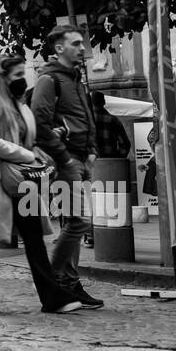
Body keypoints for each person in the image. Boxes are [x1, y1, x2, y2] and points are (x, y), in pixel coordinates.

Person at [0, 54, 81, 315]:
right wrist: (28, 155)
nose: (23, 80)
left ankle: (52, 298)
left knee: (33, 239)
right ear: (2, 76)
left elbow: (27, 140)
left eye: (24, 74)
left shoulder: (20, 105)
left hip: (22, 179)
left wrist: (41, 149)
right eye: (18, 75)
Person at [31, 26, 104, 309]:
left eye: (82, 43)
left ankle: (69, 284)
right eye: (75, 43)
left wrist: (93, 151)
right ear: (59, 48)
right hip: (66, 161)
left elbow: (87, 117)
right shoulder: (49, 80)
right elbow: (39, 124)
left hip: (82, 159)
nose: (82, 48)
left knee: (73, 222)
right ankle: (54, 276)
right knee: (80, 222)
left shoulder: (76, 79)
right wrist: (64, 158)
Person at [92, 91, 132, 160]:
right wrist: (118, 157)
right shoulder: (113, 120)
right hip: (110, 163)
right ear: (104, 102)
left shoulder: (84, 121)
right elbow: (125, 144)